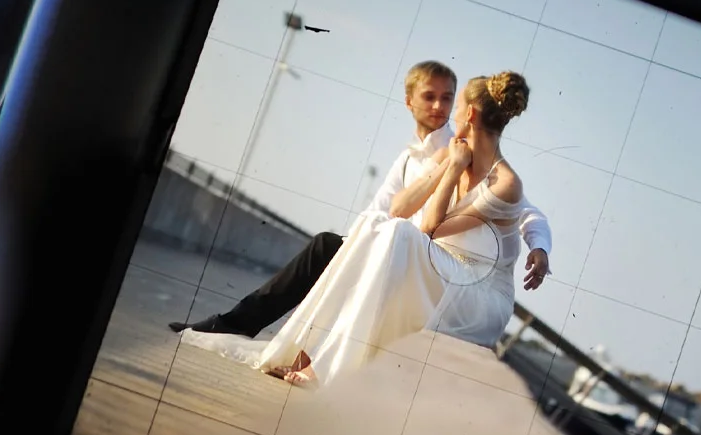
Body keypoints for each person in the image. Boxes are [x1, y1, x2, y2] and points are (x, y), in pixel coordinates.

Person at [180, 72, 534, 388]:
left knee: (396, 235)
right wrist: (448, 167)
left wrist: (456, 170)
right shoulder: (449, 153)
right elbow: (397, 208)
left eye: (455, 106)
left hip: (478, 293)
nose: (450, 113)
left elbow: (428, 227)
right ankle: (307, 353)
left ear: (469, 114)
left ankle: (323, 365)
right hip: (440, 267)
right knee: (376, 224)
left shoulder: (506, 183)